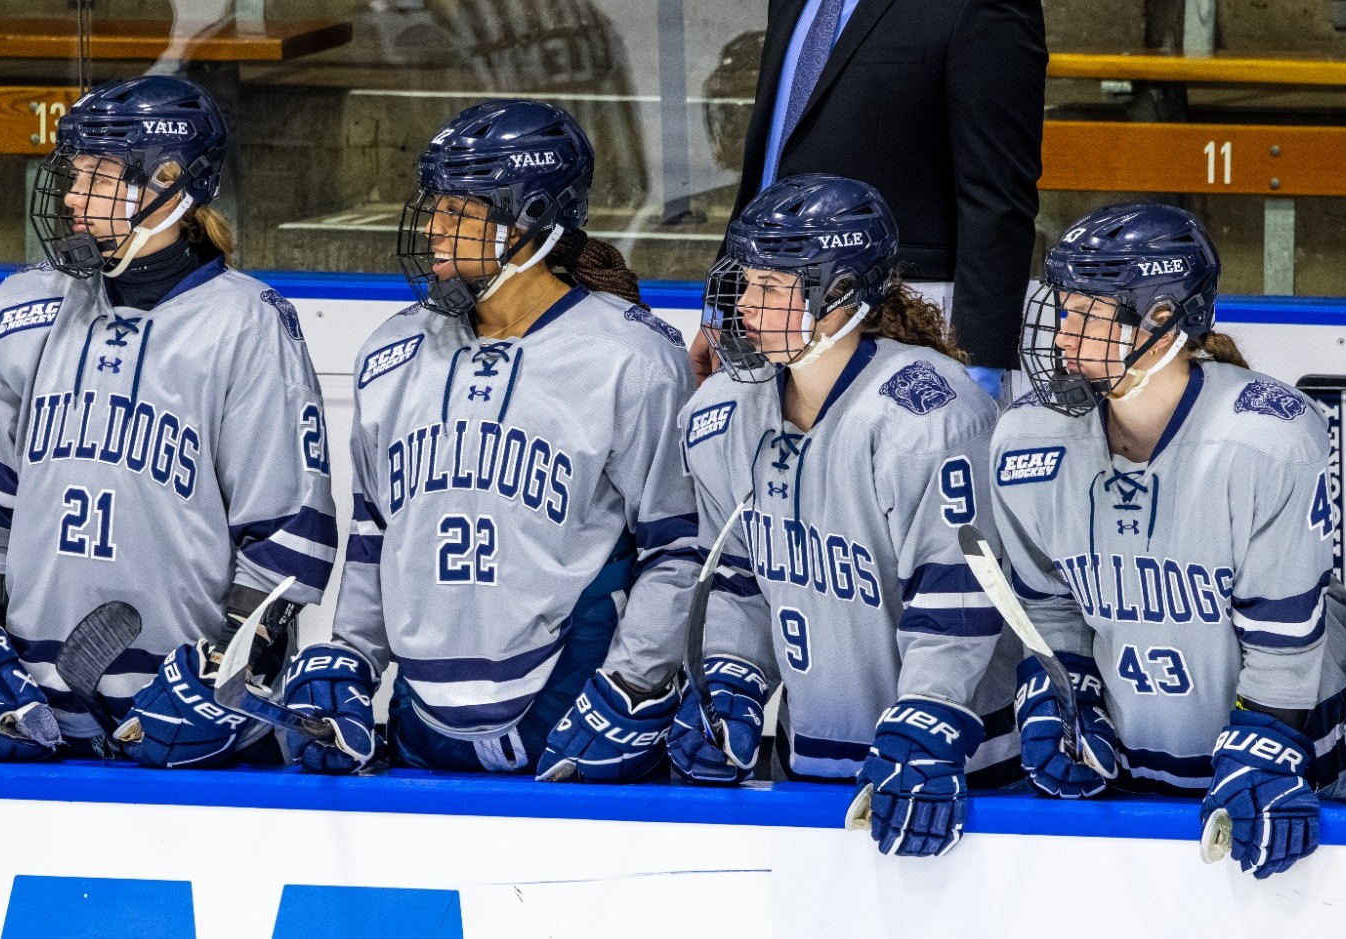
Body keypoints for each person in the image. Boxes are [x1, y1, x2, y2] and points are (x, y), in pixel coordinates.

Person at [281, 100, 699, 781]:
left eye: (459, 212)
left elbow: (677, 547)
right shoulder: (391, 351)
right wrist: (351, 659)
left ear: (530, 217)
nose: (434, 230)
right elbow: (374, 534)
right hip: (421, 716)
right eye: (434, 207)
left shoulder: (632, 357)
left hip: (576, 708)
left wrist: (631, 685)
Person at [0, 75, 337, 767]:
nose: (72, 195)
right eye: (73, 174)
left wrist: (230, 662)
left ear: (170, 183)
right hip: (27, 715)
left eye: (97, 176)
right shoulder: (20, 309)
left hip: (184, 713)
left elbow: (290, 533)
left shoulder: (246, 324)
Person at [990, 203, 1346, 879]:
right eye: (1062, 311)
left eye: (1088, 315)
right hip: (1127, 779)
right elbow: (1049, 605)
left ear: (1162, 322)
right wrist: (1061, 690)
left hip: (1285, 779)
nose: (1063, 339)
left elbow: (1285, 635)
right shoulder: (1026, 438)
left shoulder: (1265, 436)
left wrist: (1266, 740)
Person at [667, 173, 1020, 859]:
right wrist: (731, 683)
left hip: (952, 774)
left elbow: (956, 595)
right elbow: (738, 580)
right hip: (807, 767)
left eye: (770, 288)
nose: (744, 306)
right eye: (744, 282)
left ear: (839, 294)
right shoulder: (719, 414)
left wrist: (926, 726)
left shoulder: (929, 413)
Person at [690, 0, 1046, 400]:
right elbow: (771, 161)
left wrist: (979, 364)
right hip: (768, 319)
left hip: (899, 320)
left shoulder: (977, 7)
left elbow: (998, 195)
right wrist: (724, 307)